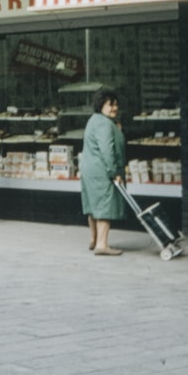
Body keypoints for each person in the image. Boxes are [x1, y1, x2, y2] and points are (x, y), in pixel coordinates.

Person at [80, 87, 126, 255]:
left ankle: (94, 240)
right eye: (110, 105)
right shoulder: (104, 124)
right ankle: (102, 244)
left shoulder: (94, 120)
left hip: (89, 170)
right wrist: (115, 172)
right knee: (104, 207)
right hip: (102, 172)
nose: (114, 108)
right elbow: (108, 151)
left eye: (116, 105)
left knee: (93, 205)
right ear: (101, 105)